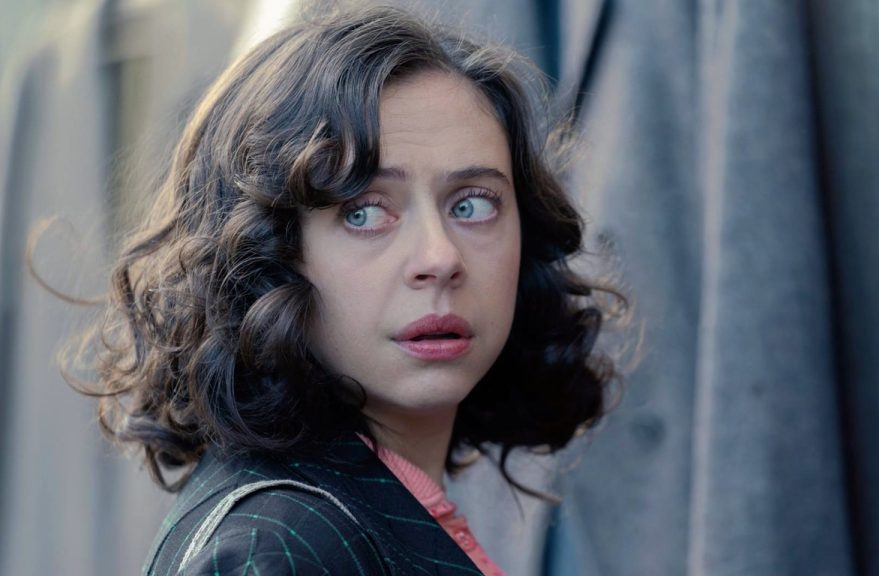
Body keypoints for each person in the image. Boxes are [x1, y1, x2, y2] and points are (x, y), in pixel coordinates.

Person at [67, 5, 623, 575]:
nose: (440, 258)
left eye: (471, 205)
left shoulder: (360, 511)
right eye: (364, 212)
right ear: (267, 253)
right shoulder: (279, 549)